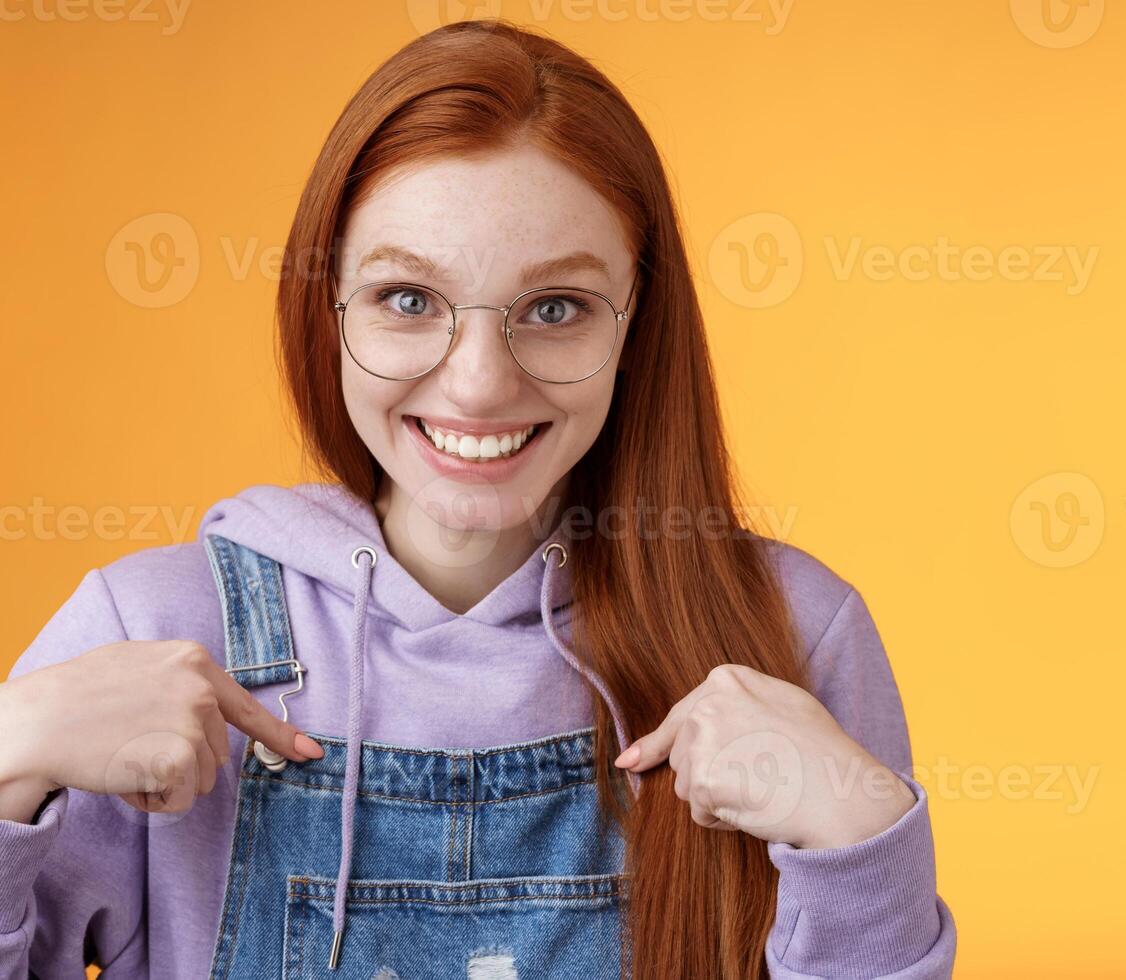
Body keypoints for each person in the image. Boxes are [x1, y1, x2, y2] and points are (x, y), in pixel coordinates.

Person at [0, 20, 955, 979]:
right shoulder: (152, 631)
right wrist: (9, 755)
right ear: (326, 307)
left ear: (638, 325)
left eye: (555, 308)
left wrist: (863, 833)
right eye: (409, 299)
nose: (478, 386)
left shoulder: (790, 637)